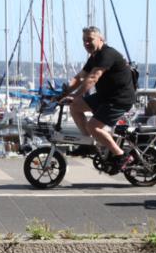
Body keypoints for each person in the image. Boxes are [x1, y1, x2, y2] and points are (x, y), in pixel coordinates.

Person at [58, 26, 137, 174]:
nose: (86, 43)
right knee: (75, 106)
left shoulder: (107, 54)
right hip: (105, 96)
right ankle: (88, 144)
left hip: (119, 99)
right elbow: (80, 77)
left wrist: (76, 94)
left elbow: (93, 77)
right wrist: (63, 93)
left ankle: (121, 155)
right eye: (84, 40)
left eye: (90, 39)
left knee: (94, 126)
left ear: (101, 39)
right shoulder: (94, 57)